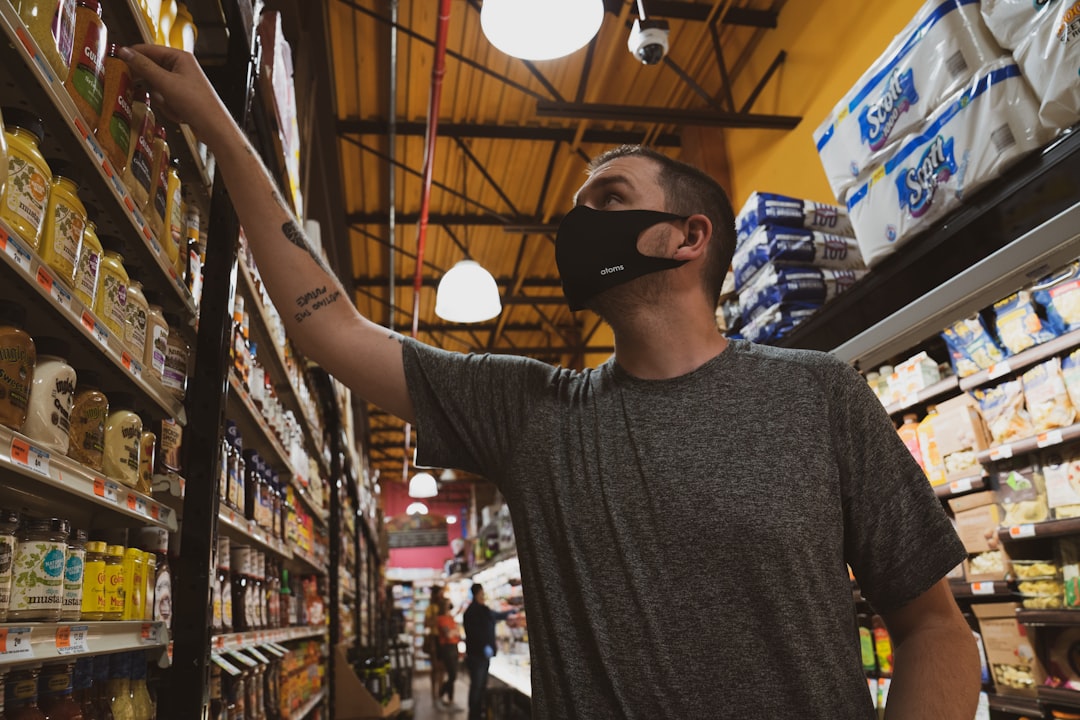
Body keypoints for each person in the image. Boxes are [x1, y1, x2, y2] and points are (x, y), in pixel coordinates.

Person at [121, 43, 982, 719]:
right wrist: (224, 128)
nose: (578, 221)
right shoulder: (533, 414)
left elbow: (935, 627)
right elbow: (329, 327)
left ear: (687, 237)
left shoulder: (817, 395)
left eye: (607, 198)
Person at [462, 584, 516, 720]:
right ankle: (474, 715)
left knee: (479, 686)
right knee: (477, 686)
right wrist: (485, 645)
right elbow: (476, 633)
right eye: (482, 593)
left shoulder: (476, 610)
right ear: (478, 593)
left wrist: (510, 612)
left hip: (479, 655)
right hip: (477, 655)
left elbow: (494, 616)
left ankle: (477, 713)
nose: (483, 595)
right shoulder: (475, 611)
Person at [435, 596, 463, 711]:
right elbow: (449, 634)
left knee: (453, 674)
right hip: (447, 649)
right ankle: (440, 695)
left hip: (454, 647)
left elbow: (456, 632)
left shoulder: (450, 618)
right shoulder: (441, 619)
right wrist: (454, 632)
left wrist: (454, 632)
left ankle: (450, 700)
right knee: (453, 675)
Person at [424, 585, 446, 707]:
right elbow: (426, 624)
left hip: (443, 639)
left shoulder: (443, 606)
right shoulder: (431, 608)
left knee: (442, 668)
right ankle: (434, 694)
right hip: (435, 639)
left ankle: (440, 693)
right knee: (435, 668)